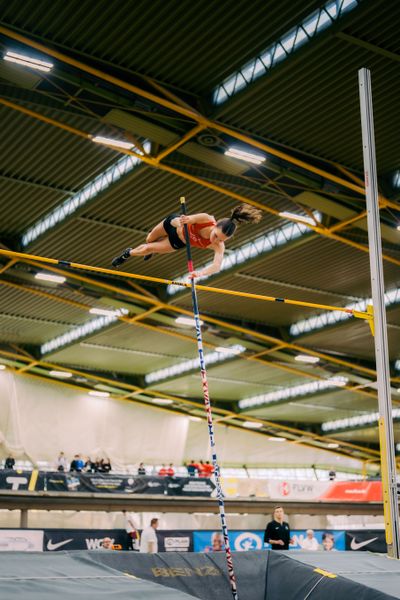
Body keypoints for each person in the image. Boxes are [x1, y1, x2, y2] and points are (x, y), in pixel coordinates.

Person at [111, 204, 262, 277]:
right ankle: (152, 247)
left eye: (221, 240)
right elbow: (185, 220)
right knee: (149, 239)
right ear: (215, 226)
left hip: (179, 241)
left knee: (147, 248)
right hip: (173, 224)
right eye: (216, 235)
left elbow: (216, 266)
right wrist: (182, 221)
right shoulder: (206, 218)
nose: (215, 240)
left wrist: (200, 273)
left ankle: (127, 254)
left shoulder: (219, 246)